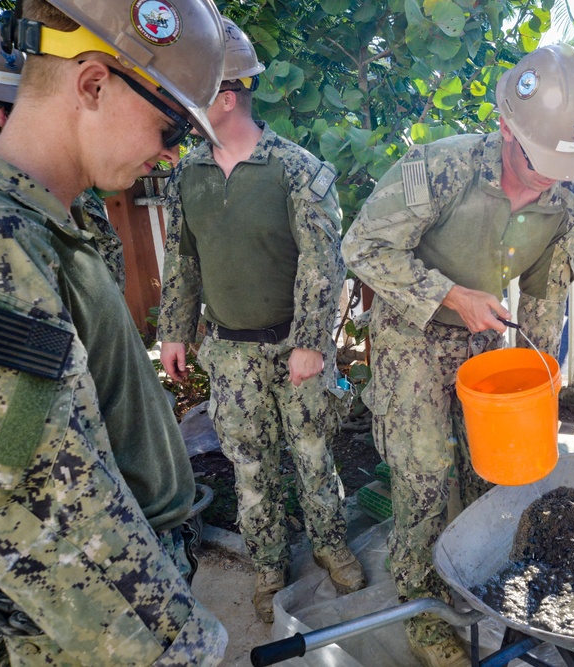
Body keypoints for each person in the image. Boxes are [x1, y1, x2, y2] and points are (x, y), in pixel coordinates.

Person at [341, 43, 574, 667]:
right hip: (413, 339)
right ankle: (421, 602)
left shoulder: (564, 204)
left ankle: (471, 574)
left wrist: (542, 377)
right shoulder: (440, 170)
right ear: (506, 129)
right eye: (541, 161)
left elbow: (545, 298)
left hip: (485, 344)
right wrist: (450, 295)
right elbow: (363, 249)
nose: (549, 178)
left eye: (563, 167)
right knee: (426, 474)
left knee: (485, 468)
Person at [0, 0, 228, 663]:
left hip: (139, 570)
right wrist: (181, 648)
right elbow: (33, 500)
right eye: (171, 125)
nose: (171, 157)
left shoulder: (60, 219)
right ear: (91, 82)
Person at [157, 17, 367, 624]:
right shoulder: (187, 175)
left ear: (225, 98)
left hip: (292, 353)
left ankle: (329, 544)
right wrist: (174, 329)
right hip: (229, 354)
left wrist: (309, 344)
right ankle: (268, 560)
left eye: (191, 93)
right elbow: (182, 259)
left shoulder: (297, 170)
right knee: (249, 466)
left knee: (312, 455)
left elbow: (323, 266)